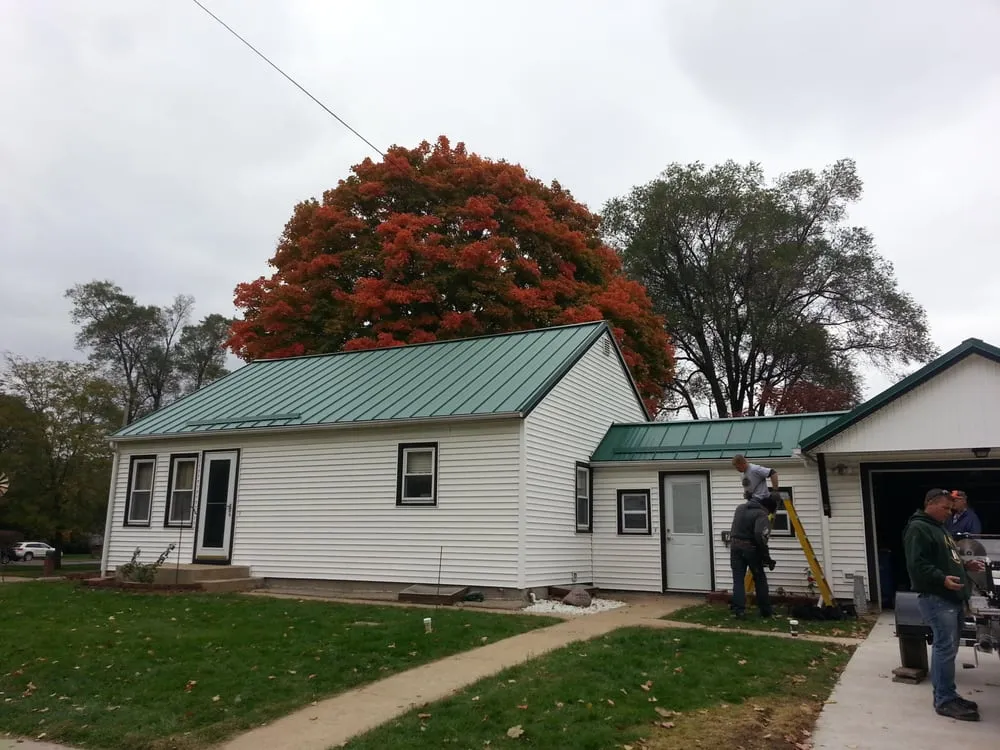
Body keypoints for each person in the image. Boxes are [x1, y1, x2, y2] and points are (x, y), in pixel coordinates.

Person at [903, 488, 986, 721]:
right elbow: (917, 565)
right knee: (944, 648)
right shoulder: (918, 528)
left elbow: (949, 558)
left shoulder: (940, 529)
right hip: (937, 599)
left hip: (952, 599)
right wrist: (942, 579)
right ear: (930, 503)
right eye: (945, 508)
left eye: (951, 509)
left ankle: (948, 693)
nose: (949, 513)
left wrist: (965, 567)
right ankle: (944, 700)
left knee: (949, 650)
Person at [729, 455, 780, 619]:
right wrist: (766, 557)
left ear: (743, 463)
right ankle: (766, 611)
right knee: (759, 578)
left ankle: (739, 610)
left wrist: (775, 489)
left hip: (735, 546)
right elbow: (760, 535)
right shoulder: (761, 514)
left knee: (738, 579)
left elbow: (773, 472)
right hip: (750, 548)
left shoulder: (739, 509)